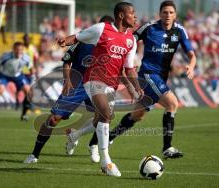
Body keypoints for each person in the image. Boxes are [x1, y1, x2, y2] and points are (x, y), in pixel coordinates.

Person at [88, 0, 197, 159]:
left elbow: (192, 55)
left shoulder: (180, 31)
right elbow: (126, 39)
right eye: (164, 12)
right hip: (147, 75)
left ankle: (102, 139)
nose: (167, 15)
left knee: (137, 116)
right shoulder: (149, 28)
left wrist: (191, 66)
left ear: (175, 15)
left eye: (171, 13)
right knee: (172, 104)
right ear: (160, 14)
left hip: (161, 78)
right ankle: (167, 147)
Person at [57, 2, 142, 177]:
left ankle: (75, 135)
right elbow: (79, 36)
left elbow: (129, 68)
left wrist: (136, 87)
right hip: (93, 79)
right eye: (132, 13)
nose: (135, 17)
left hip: (111, 84)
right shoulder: (102, 29)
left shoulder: (131, 40)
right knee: (104, 112)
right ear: (121, 15)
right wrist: (66, 40)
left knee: (106, 117)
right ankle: (106, 162)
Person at [23, 15, 115, 164]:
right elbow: (67, 61)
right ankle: (34, 154)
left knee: (104, 118)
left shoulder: (114, 45)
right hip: (77, 85)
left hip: (97, 85)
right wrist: (67, 81)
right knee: (53, 119)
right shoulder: (83, 40)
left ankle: (92, 145)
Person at [0, 42, 32, 121]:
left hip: (18, 76)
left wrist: (32, 76)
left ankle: (24, 115)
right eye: (17, 49)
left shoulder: (26, 57)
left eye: (21, 50)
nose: (19, 51)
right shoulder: (6, 56)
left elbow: (30, 68)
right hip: (4, 75)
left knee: (28, 91)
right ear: (13, 49)